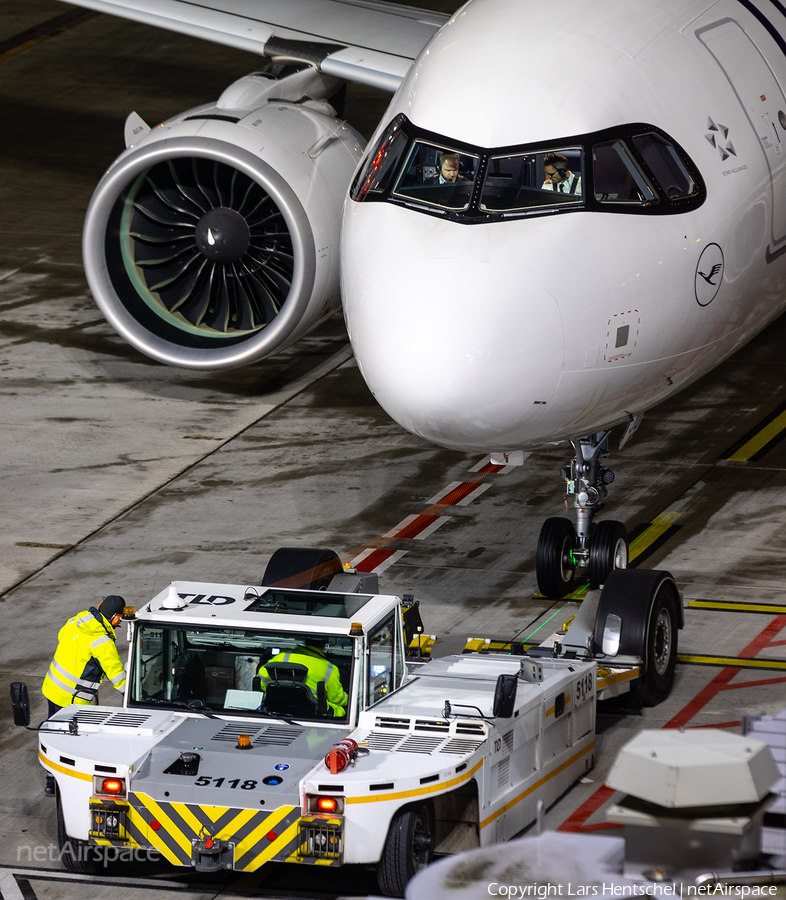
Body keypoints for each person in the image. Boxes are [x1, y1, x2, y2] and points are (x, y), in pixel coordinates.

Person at [42, 596, 128, 794]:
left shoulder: (75, 621)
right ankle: (65, 783)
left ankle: (50, 780)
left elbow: (61, 636)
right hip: (73, 701)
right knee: (71, 745)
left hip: (52, 689)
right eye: (119, 619)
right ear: (115, 619)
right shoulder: (103, 643)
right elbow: (119, 679)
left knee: (53, 735)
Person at [257, 637, 348, 717]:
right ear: (324, 645)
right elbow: (337, 699)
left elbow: (260, 680)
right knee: (341, 711)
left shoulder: (283, 656)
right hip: (312, 714)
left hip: (276, 708)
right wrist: (349, 699)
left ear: (305, 641)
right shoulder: (329, 668)